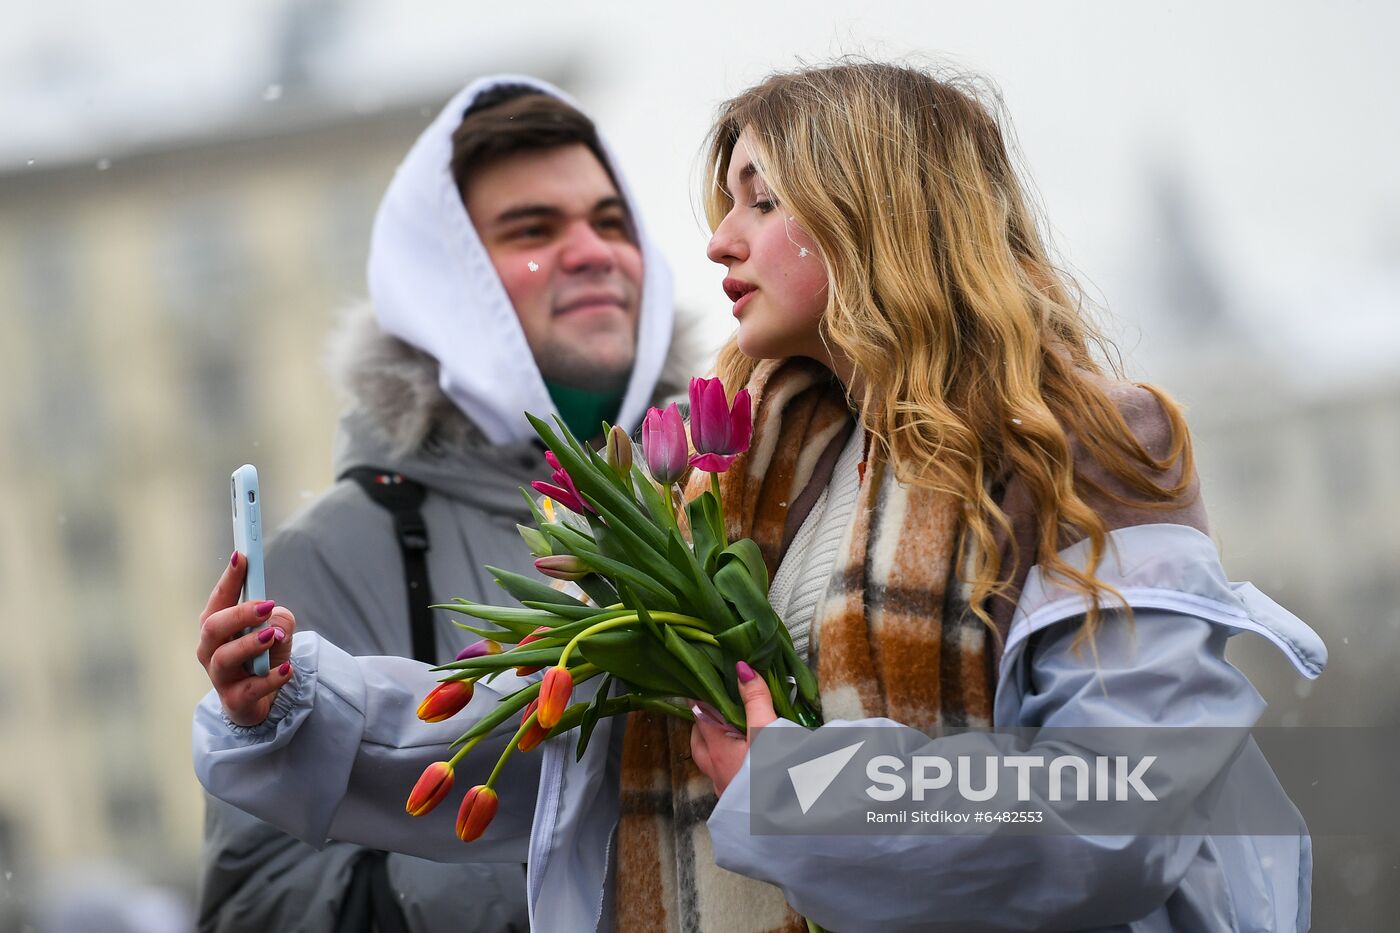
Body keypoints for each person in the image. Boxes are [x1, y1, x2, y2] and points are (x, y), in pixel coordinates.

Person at [194, 61, 1327, 932]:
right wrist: (300, 698)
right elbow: (573, 746)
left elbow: (1131, 799)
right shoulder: (720, 477)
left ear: (877, 215)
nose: (716, 238)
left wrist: (810, 793)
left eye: (760, 198)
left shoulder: (1078, 448)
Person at [196, 74, 700, 933]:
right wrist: (564, 865)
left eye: (611, 222)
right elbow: (257, 904)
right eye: (533, 230)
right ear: (445, 279)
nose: (592, 250)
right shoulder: (339, 546)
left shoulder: (720, 486)